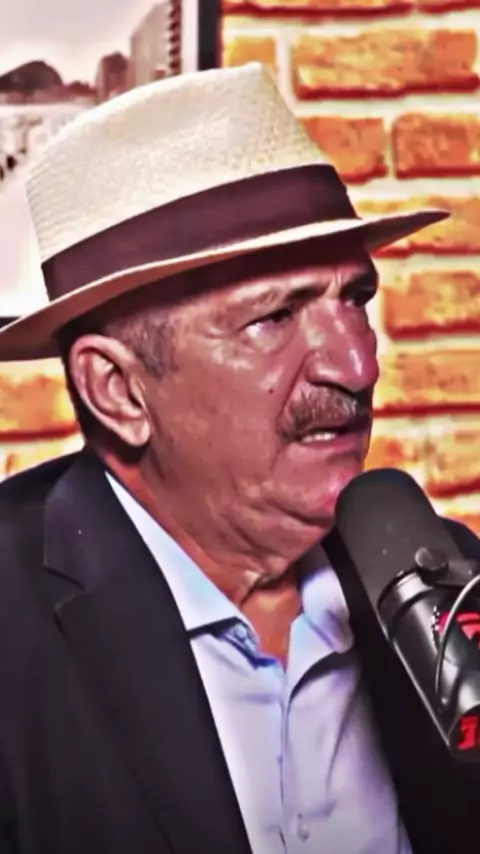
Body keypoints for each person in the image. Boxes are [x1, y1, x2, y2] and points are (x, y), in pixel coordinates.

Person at [0, 63, 478, 854]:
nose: (359, 366)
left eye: (354, 299)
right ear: (118, 390)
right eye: (274, 317)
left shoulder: (446, 581)